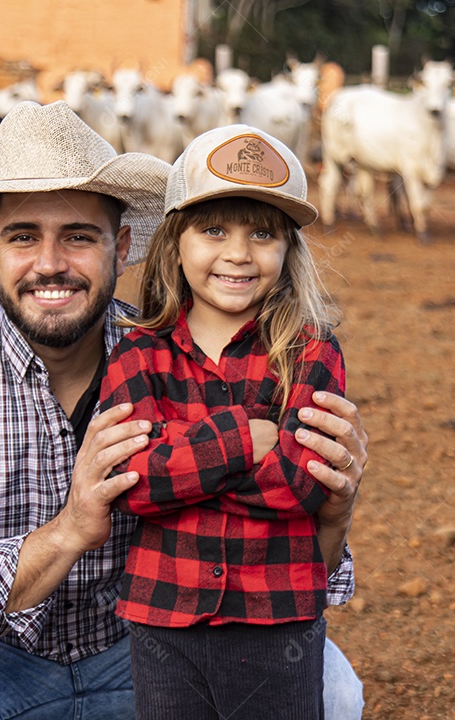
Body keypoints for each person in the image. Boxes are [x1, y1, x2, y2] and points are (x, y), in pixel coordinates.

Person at [0, 101, 368, 720]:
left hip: (156, 639)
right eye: (23, 236)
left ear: (121, 246)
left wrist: (336, 510)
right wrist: (67, 532)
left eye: (79, 237)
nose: (51, 264)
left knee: (331, 689)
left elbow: (312, 563)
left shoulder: (170, 349)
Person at [98, 124, 346, 718]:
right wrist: (244, 441)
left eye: (262, 233)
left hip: (277, 616)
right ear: (174, 243)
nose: (238, 253)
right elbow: (133, 483)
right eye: (214, 230)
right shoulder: (137, 353)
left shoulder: (311, 351)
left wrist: (179, 460)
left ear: (289, 249)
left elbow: (301, 482)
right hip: (164, 618)